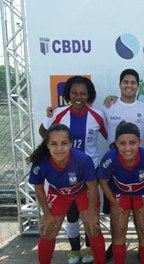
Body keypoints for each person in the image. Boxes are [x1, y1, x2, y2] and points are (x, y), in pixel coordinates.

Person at [39, 76, 107, 264]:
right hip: (63, 175)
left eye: (83, 93)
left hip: (89, 174)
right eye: (75, 93)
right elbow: (44, 132)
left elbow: (111, 137)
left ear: (89, 95)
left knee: (90, 216)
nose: (79, 97)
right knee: (71, 215)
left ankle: (88, 250)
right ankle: (74, 250)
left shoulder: (98, 115)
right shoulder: (58, 113)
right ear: (68, 94)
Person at [28, 124, 105, 264]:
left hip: (83, 192)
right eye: (54, 144)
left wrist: (93, 213)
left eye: (64, 143)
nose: (59, 148)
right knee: (47, 231)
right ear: (47, 145)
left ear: (71, 143)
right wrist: (46, 213)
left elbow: (93, 187)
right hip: (59, 193)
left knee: (93, 228)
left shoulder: (83, 159)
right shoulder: (40, 162)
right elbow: (38, 188)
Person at [98, 122, 144, 264]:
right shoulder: (110, 157)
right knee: (119, 232)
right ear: (116, 143)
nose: (127, 148)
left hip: (142, 195)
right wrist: (115, 205)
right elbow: (103, 181)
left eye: (132, 143)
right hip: (120, 194)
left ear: (140, 142)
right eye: (122, 143)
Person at [102, 69, 144, 146]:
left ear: (138, 86)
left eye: (133, 83)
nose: (129, 85)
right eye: (125, 82)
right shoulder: (108, 106)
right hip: (115, 156)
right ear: (120, 84)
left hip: (139, 156)